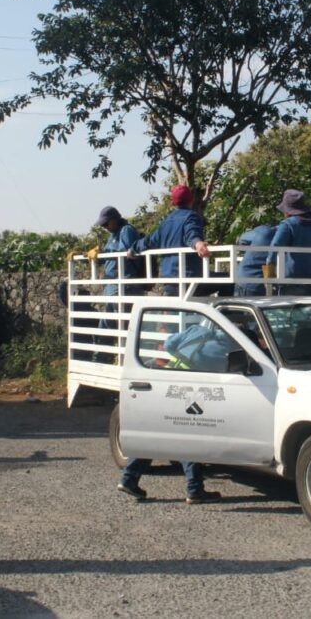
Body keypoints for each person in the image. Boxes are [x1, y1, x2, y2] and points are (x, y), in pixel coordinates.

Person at [117, 320, 225, 505]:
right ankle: (195, 490)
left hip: (167, 382)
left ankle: (128, 480)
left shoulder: (196, 330)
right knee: (187, 439)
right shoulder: (226, 347)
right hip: (189, 390)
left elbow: (168, 344)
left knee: (153, 436)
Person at [128, 185, 210, 296]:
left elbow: (149, 241)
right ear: (192, 200)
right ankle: (228, 313)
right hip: (190, 281)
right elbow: (191, 234)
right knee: (227, 281)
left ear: (173, 203)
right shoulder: (191, 217)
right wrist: (198, 244)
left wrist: (133, 249)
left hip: (169, 283)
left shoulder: (165, 223)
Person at [93, 206, 143, 361]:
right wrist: (94, 255)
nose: (105, 227)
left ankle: (128, 361)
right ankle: (103, 360)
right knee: (107, 325)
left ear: (115, 219)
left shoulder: (126, 230)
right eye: (103, 225)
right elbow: (108, 255)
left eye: (106, 224)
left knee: (126, 326)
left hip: (125, 285)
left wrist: (103, 253)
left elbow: (127, 252)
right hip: (112, 287)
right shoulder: (113, 235)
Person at [266, 189, 311, 296]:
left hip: (291, 280)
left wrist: (269, 268)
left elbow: (275, 246)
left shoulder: (288, 224)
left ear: (287, 211)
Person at [234, 223, 276, 297]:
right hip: (267, 284)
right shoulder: (290, 235)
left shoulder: (263, 230)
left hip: (247, 280)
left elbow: (242, 240)